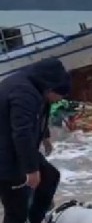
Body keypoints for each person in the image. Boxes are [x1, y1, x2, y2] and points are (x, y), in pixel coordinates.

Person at [0, 57, 71, 223]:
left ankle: (37, 219)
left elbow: (38, 114)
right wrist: (31, 170)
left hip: (14, 149)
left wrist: (45, 136)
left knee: (50, 176)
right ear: (51, 88)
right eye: (60, 96)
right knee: (16, 210)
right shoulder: (24, 93)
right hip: (6, 157)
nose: (60, 100)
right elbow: (21, 132)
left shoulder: (34, 84)